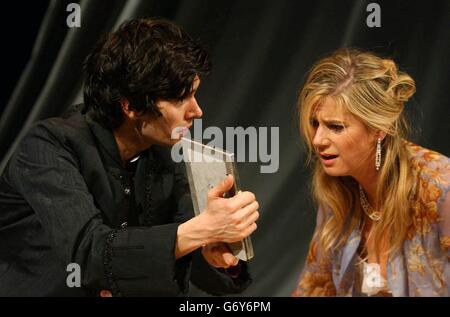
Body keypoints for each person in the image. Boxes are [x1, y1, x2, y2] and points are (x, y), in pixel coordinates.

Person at [0, 18, 259, 296]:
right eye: (180, 98)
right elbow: (89, 254)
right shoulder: (47, 147)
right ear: (131, 105)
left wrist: (221, 251)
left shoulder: (164, 157)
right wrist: (200, 230)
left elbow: (191, 258)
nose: (197, 111)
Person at [292, 49, 449, 297]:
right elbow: (315, 287)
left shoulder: (440, 188)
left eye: (335, 126)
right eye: (315, 123)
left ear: (379, 129)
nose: (318, 140)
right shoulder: (337, 190)